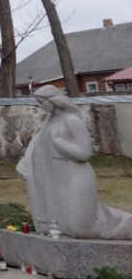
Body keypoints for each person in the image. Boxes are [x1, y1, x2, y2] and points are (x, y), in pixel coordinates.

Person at [18, 85, 132, 239]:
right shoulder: (49, 122)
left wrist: (59, 143)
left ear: (53, 100)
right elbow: (37, 147)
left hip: (76, 177)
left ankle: (127, 225)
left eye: (42, 102)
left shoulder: (72, 121)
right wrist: (26, 164)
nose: (41, 106)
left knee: (81, 229)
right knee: (63, 228)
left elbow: (84, 153)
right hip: (56, 180)